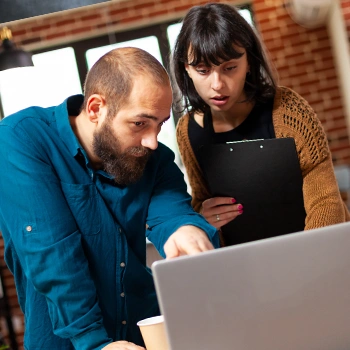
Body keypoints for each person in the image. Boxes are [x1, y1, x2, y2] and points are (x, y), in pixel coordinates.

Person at [0, 47, 219, 350]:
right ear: (95, 108)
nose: (152, 141)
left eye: (160, 124)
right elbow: (52, 254)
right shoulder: (21, 139)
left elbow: (172, 211)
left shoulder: (153, 158)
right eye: (140, 123)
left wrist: (185, 229)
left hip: (143, 337)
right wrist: (95, 343)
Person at [172, 2, 350, 246]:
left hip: (315, 253)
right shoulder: (187, 130)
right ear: (187, 69)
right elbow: (202, 200)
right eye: (203, 70)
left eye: (230, 68)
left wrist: (307, 258)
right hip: (245, 262)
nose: (217, 84)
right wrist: (203, 219)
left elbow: (325, 200)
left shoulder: (287, 109)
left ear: (248, 62)